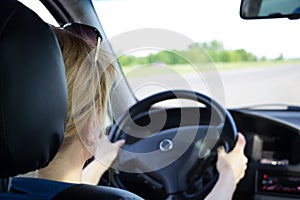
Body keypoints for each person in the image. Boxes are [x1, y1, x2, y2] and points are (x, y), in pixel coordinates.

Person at [39, 23, 247, 199]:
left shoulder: (10, 189)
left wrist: (101, 163)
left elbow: (66, 190)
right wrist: (228, 176)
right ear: (91, 126)